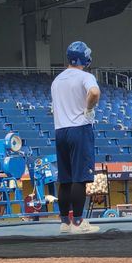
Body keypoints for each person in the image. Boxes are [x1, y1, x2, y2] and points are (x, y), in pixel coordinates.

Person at [50, 41, 100, 234]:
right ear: (84, 58)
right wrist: (88, 108)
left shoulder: (56, 81)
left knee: (65, 178)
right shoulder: (85, 76)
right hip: (79, 128)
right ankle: (78, 223)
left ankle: (64, 222)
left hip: (60, 130)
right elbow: (94, 92)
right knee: (80, 178)